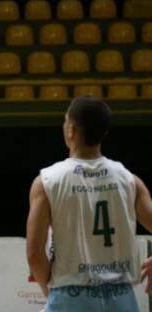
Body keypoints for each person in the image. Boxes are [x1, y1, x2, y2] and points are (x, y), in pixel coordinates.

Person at [27, 96, 152, 311]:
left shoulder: (47, 182)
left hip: (71, 295)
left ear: (71, 130)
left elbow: (34, 253)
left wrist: (50, 290)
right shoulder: (129, 180)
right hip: (122, 297)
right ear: (104, 133)